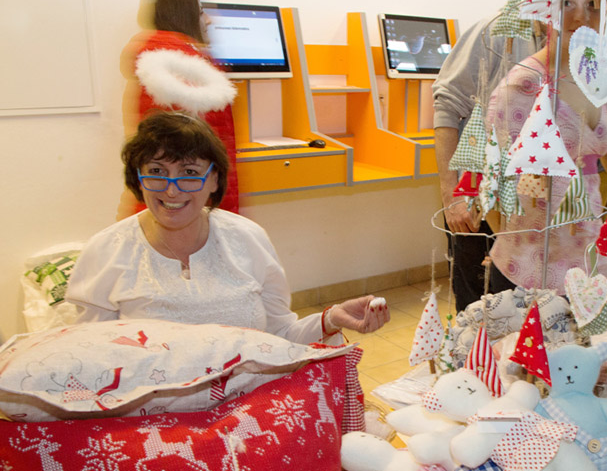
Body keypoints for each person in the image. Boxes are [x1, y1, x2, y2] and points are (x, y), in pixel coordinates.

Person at [67, 112, 389, 344]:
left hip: (247, 404)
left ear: (214, 180)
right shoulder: (106, 251)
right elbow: (93, 355)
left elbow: (279, 336)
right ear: (138, 178)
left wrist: (330, 318)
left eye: (189, 172)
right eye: (156, 171)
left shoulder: (246, 238)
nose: (172, 189)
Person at [484, 0, 607, 294]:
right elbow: (489, 184)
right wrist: (514, 245)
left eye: (592, 4)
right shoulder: (524, 84)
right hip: (532, 269)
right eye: (568, 3)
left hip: (589, 261)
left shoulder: (590, 77)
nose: (582, 17)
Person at [432, 15, 541, 312]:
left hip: (530, 206)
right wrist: (452, 195)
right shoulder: (496, 32)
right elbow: (447, 106)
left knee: (521, 309)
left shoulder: (564, 47)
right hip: (477, 200)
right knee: (476, 308)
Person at [121, 0, 239, 215]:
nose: (209, 20)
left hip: (179, 204)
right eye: (201, 12)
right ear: (184, 13)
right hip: (187, 206)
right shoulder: (179, 68)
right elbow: (186, 161)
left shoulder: (169, 61)